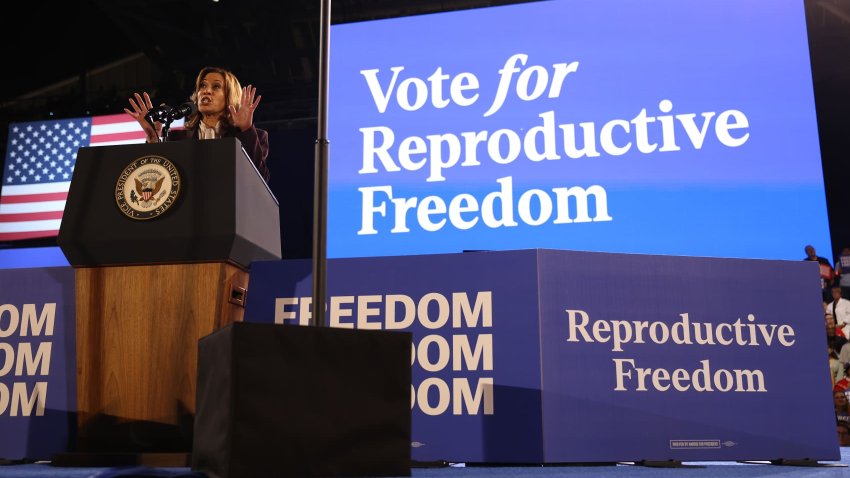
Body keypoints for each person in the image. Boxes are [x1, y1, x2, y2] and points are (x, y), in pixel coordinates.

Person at [124, 66, 270, 182]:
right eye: (202, 86)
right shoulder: (176, 138)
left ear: (230, 96)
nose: (206, 91)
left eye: (216, 87)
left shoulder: (254, 136)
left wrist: (245, 129)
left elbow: (260, 179)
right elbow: (155, 178)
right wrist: (152, 138)